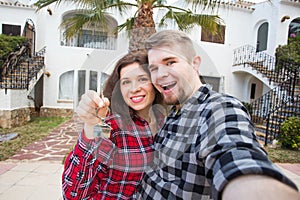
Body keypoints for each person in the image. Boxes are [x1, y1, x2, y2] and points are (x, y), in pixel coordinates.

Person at [136, 30, 300, 200]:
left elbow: (236, 155)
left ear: (195, 63)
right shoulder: (175, 112)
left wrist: (254, 186)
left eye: (170, 62)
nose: (160, 74)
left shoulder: (219, 109)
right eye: (154, 68)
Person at [62, 51, 166, 199]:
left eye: (142, 79)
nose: (134, 88)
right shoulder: (111, 124)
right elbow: (74, 194)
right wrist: (91, 125)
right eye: (126, 82)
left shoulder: (164, 121)